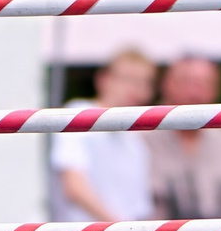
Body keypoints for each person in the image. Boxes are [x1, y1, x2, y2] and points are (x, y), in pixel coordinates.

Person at [144, 57, 221, 220]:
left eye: (205, 84)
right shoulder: (140, 136)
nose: (195, 93)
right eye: (187, 82)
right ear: (166, 83)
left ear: (217, 89)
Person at [50, 51, 158, 222]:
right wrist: (121, 228)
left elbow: (140, 209)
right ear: (103, 79)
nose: (136, 90)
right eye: (129, 79)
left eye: (145, 82)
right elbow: (74, 187)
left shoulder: (138, 141)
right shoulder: (78, 113)